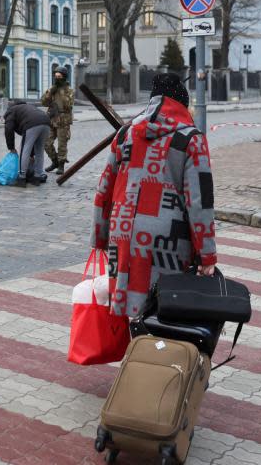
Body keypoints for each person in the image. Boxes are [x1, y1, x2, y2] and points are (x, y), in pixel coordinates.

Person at [91, 73, 217, 318]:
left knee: (130, 308)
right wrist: (207, 254)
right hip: (167, 237)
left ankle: (137, 351)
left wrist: (100, 236)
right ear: (182, 103)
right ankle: (155, 354)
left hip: (123, 230)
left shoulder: (126, 133)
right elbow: (200, 200)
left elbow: (104, 187)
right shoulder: (191, 138)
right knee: (164, 310)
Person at [3, 100, 51, 187]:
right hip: (46, 122)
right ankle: (37, 177)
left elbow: (8, 129)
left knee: (25, 149)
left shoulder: (11, 111)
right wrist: (32, 155)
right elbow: (33, 139)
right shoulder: (27, 108)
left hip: (32, 123)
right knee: (39, 150)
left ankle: (21, 178)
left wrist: (11, 148)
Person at [42, 67, 74, 175]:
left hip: (63, 120)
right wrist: (51, 92)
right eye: (55, 77)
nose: (57, 79)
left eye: (59, 77)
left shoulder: (69, 90)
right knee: (46, 142)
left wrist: (61, 91)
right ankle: (54, 161)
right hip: (52, 119)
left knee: (62, 144)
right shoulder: (53, 88)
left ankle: (61, 165)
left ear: (64, 77)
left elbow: (68, 105)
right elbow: (44, 102)